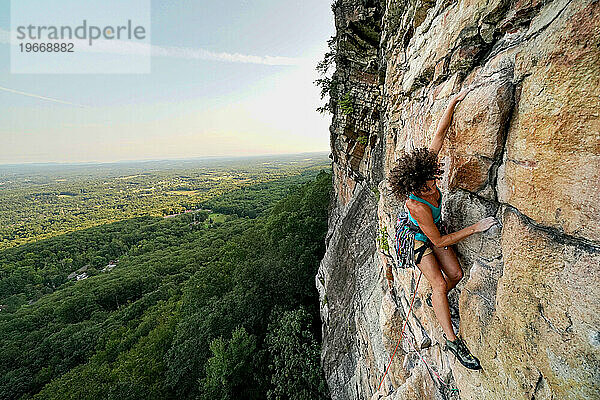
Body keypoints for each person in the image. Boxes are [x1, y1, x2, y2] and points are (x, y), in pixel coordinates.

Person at [388, 86, 498, 370]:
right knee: (438, 282)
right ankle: (452, 341)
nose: (432, 186)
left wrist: (452, 102)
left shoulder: (425, 170)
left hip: (434, 228)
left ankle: (437, 302)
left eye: (432, 181)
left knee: (456, 274)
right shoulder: (417, 206)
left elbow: (439, 132)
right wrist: (476, 228)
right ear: (413, 188)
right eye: (425, 187)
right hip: (415, 235)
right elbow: (437, 241)